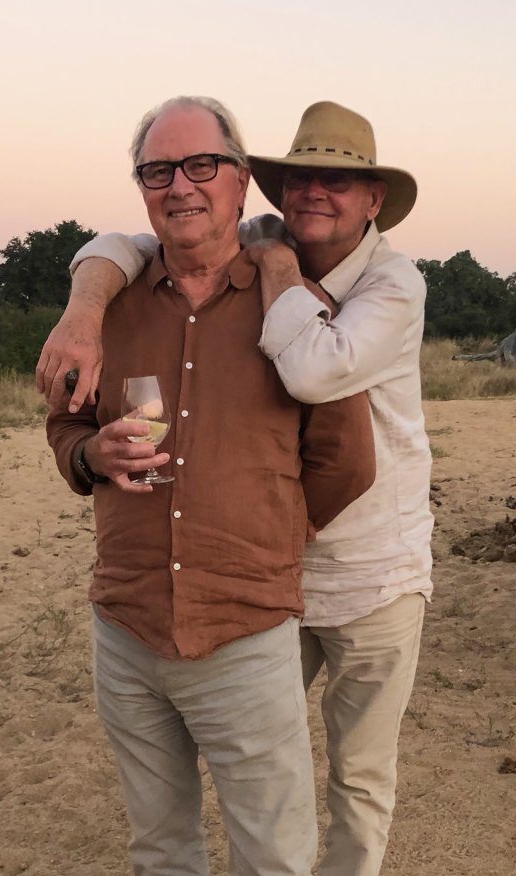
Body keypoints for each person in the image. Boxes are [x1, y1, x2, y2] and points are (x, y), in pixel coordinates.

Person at [38, 100, 433, 876]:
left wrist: (263, 530)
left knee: (352, 779)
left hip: (367, 568)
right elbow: (114, 250)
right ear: (272, 191)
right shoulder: (139, 286)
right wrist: (85, 330)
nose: (181, 185)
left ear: (238, 180)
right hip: (183, 606)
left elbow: (346, 454)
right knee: (179, 831)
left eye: (201, 166)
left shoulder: (377, 287)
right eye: (159, 170)